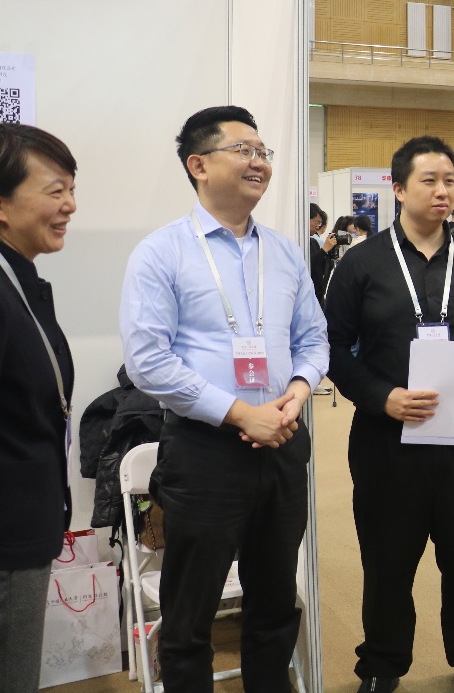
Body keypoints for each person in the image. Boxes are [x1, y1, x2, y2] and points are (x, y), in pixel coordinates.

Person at [120, 106, 329, 693]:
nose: (259, 161)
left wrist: (297, 391)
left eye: (263, 151)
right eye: (243, 150)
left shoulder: (285, 253)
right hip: (205, 450)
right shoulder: (162, 252)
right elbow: (147, 361)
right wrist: (240, 413)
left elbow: (314, 338)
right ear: (199, 165)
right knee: (190, 610)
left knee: (275, 599)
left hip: (283, 443)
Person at [324, 136, 454, 693]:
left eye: (450, 180)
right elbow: (332, 348)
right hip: (387, 437)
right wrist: (380, 396)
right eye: (429, 180)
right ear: (399, 189)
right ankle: (382, 665)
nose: (442, 191)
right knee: (388, 558)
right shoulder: (361, 264)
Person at [0, 124, 77, 692]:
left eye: (71, 188)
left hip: (8, 535)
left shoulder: (8, 279)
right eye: (55, 190)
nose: (70, 205)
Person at [310, 203, 337, 302]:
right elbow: (307, 265)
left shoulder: (313, 242)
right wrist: (324, 250)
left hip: (318, 296)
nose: (317, 227)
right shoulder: (297, 242)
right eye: (316, 222)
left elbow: (321, 270)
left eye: (319, 224)